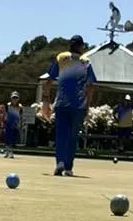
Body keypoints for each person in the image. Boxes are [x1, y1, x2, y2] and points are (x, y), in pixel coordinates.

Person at [42, 35, 96, 176]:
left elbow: (48, 82)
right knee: (72, 137)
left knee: (61, 135)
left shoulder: (61, 58)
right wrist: (88, 105)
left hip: (61, 103)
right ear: (81, 46)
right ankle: (68, 167)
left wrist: (45, 101)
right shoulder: (86, 62)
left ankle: (59, 162)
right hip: (78, 105)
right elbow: (91, 86)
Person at [2, 92, 23, 158]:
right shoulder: (7, 105)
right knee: (7, 139)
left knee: (13, 140)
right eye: (13, 98)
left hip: (15, 124)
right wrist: (4, 122)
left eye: (16, 98)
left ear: (18, 98)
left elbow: (21, 116)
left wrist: (19, 124)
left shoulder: (20, 107)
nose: (15, 99)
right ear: (11, 98)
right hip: (8, 124)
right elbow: (5, 114)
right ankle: (7, 152)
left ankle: (11, 151)